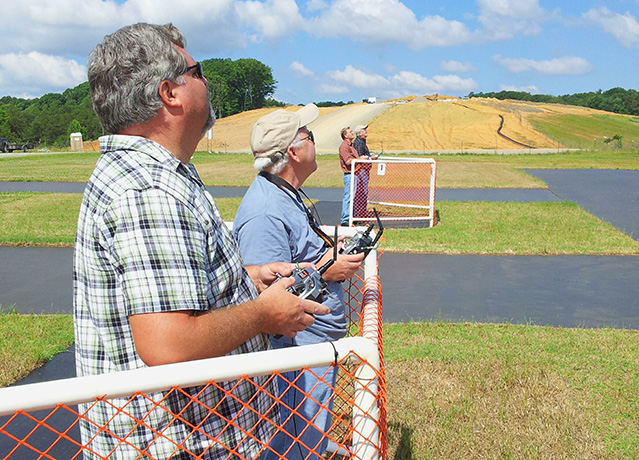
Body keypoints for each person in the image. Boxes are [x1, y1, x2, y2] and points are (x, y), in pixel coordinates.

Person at [74, 23, 329, 459]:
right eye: (198, 71)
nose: (206, 82)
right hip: (184, 444)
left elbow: (170, 289)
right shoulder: (149, 190)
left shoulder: (158, 175)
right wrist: (264, 314)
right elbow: (169, 345)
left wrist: (246, 278)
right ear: (170, 93)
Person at [233, 105, 365, 459]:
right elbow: (267, 293)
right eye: (308, 136)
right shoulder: (264, 212)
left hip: (312, 345)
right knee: (293, 444)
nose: (315, 143)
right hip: (295, 355)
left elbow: (293, 262)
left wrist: (326, 257)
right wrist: (327, 270)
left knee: (306, 437)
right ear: (292, 152)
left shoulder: (283, 194)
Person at [352, 125, 378, 219]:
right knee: (361, 192)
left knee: (362, 192)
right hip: (362, 170)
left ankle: (361, 213)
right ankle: (359, 214)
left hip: (364, 169)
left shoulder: (362, 142)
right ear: (359, 133)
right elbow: (360, 157)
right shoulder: (359, 143)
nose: (366, 131)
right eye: (364, 130)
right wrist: (370, 158)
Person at [338, 126, 359, 225]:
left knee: (353, 197)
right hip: (349, 174)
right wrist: (360, 159)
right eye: (350, 132)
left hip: (355, 174)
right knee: (348, 197)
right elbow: (348, 161)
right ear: (345, 135)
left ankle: (351, 217)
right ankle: (345, 219)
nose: (352, 133)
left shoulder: (351, 146)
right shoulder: (344, 146)